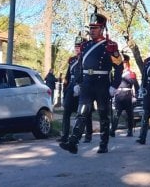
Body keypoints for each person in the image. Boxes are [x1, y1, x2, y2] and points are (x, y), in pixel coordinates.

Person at [59, 10, 123, 154]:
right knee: (81, 113)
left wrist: (114, 85)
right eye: (91, 28)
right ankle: (73, 142)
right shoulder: (85, 46)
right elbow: (80, 66)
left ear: (102, 28)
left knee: (103, 115)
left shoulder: (110, 45)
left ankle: (103, 143)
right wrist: (77, 83)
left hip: (102, 83)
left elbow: (119, 66)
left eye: (95, 28)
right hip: (87, 83)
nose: (92, 31)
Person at [57, 35, 93, 144]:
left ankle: (88, 134)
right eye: (75, 47)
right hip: (72, 88)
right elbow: (68, 75)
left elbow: (89, 74)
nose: (77, 49)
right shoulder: (72, 60)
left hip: (83, 87)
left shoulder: (87, 59)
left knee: (85, 113)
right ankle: (65, 135)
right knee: (66, 112)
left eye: (79, 47)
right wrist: (65, 89)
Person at [110, 54, 140, 137]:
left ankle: (130, 131)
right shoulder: (117, 73)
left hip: (127, 96)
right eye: (122, 63)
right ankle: (112, 130)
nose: (123, 64)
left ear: (127, 63)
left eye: (124, 62)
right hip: (118, 95)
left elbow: (136, 86)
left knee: (129, 114)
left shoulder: (131, 74)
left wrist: (136, 97)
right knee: (116, 114)